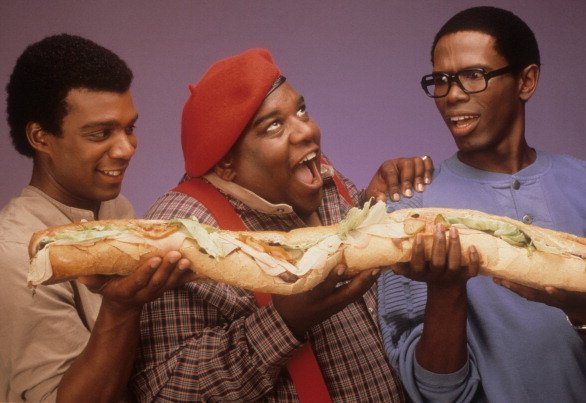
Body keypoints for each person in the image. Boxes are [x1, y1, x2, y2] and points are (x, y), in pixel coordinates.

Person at [129, 48, 434, 402]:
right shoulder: (183, 232)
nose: (307, 131)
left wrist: (372, 208)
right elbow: (165, 392)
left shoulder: (322, 177)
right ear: (226, 163)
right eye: (274, 125)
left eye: (301, 110)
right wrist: (286, 320)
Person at [379, 6, 586, 402]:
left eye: (473, 76)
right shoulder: (409, 210)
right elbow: (432, 394)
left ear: (526, 81)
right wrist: (446, 291)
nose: (452, 95)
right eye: (440, 81)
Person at [0, 34, 197, 402]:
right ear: (41, 138)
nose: (125, 149)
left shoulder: (113, 207)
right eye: (101, 133)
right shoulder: (14, 256)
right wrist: (122, 307)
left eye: (130, 128)